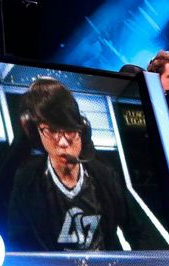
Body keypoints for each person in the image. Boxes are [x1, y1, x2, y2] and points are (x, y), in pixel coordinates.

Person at [7, 77, 129, 252]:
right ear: (37, 134)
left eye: (70, 130)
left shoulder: (104, 174)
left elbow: (137, 231)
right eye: (51, 130)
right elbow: (18, 244)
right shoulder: (26, 179)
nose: (63, 142)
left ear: (82, 131)